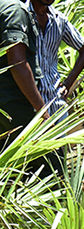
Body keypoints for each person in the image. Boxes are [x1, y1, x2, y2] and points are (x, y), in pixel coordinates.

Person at [27, 0, 84, 119]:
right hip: (30, 105)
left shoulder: (59, 19)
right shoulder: (20, 15)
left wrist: (68, 83)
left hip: (56, 103)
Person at [1, 0, 43, 140]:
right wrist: (42, 112)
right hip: (15, 105)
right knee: (50, 158)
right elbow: (17, 63)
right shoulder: (15, 9)